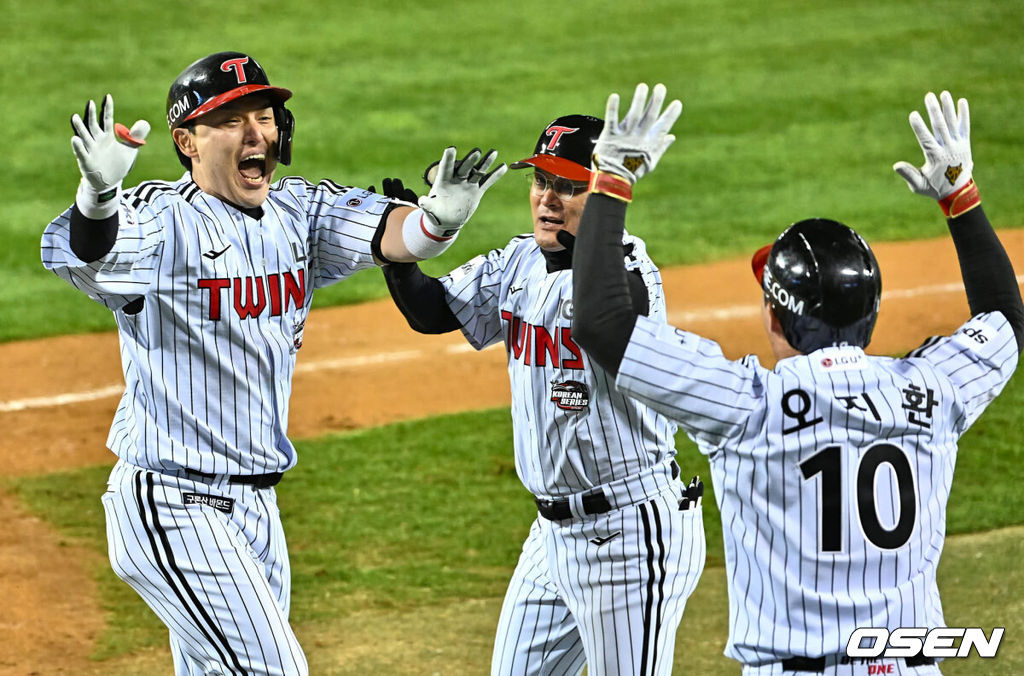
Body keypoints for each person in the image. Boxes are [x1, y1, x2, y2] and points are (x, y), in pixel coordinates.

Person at [40, 51, 505, 675]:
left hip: (258, 509)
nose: (255, 132)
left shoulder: (298, 213)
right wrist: (98, 198)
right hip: (173, 504)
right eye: (231, 120)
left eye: (263, 114)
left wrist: (436, 222)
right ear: (187, 141)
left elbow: (392, 234)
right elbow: (90, 255)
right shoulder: (162, 219)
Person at [571, 84, 1022, 675]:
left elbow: (602, 324)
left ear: (774, 315)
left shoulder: (745, 407)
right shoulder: (935, 390)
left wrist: (610, 179)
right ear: (873, 311)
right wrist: (960, 197)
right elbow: (1006, 321)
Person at [381, 108, 706, 675]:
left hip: (630, 532)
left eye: (570, 186)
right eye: (541, 181)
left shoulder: (628, 269)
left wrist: (612, 193)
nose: (548, 200)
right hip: (551, 537)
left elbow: (612, 315)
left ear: (602, 193)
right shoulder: (519, 261)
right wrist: (407, 248)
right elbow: (431, 312)